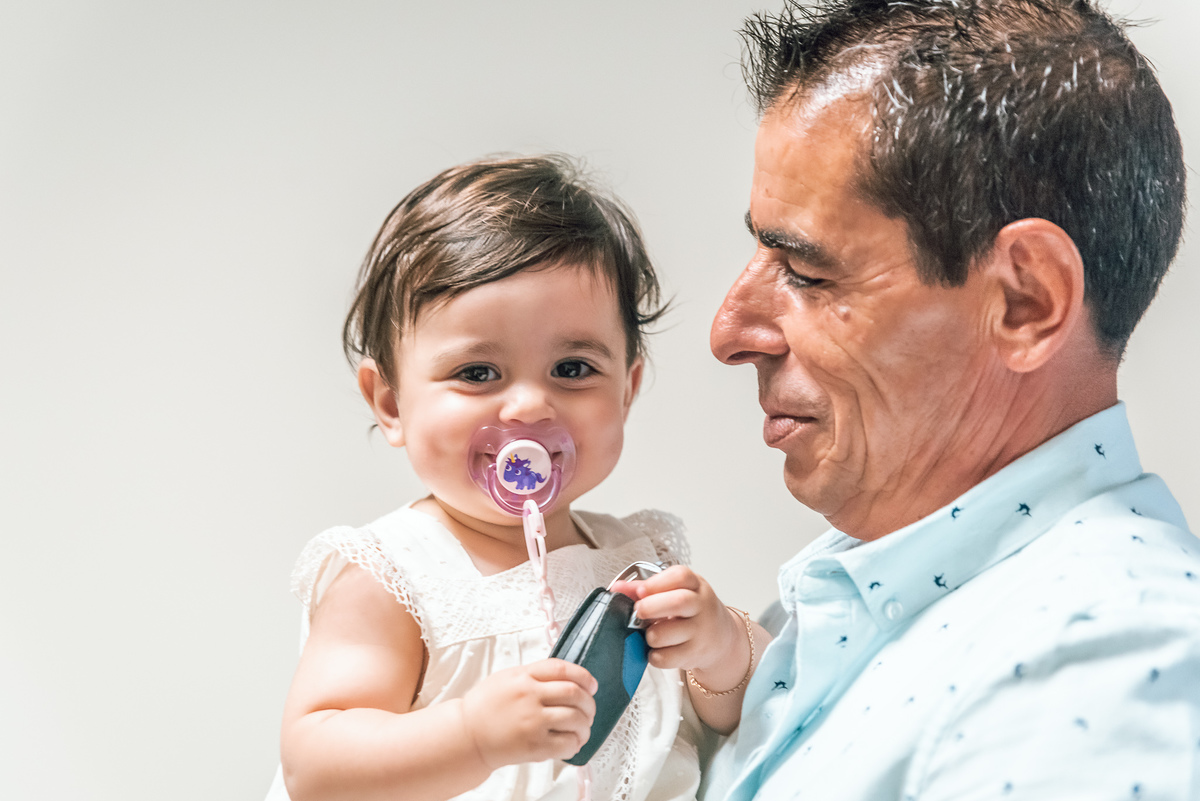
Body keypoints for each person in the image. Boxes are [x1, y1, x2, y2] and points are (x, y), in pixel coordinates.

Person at [687, 1, 1199, 799]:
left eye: (809, 273)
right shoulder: (821, 611)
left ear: (1026, 300)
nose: (730, 331)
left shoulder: (1108, 667)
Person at [264, 155, 755, 801]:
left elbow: (740, 714)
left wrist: (721, 651)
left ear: (627, 390)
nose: (528, 406)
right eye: (477, 372)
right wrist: (473, 735)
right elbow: (318, 765)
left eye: (573, 368)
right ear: (389, 402)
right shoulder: (393, 576)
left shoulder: (639, 564)